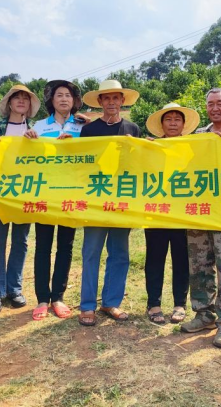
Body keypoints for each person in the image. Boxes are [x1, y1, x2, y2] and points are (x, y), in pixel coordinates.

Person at [180, 88, 221, 348]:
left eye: (220, 103)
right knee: (199, 264)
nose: (215, 108)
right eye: (210, 104)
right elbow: (183, 163)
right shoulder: (198, 136)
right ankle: (203, 314)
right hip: (201, 210)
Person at [78, 80, 142, 326]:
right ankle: (87, 306)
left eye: (116, 98)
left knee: (119, 253)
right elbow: (83, 164)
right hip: (96, 197)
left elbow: (137, 163)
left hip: (122, 199)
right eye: (107, 99)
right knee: (91, 252)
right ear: (101, 102)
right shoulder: (89, 130)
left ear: (122, 101)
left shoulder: (132, 129)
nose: (112, 102)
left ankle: (111, 302)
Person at [24, 80, 88, 321]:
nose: (64, 99)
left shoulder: (83, 126)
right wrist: (29, 139)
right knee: (43, 245)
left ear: (74, 101)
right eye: (59, 95)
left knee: (66, 246)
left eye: (68, 96)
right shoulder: (39, 126)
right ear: (51, 100)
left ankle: (58, 297)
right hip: (46, 194)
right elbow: (27, 156)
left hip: (72, 193)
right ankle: (42, 298)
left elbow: (92, 153)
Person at [0, 84, 41, 314]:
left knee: (21, 242)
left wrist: (36, 143)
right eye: (17, 98)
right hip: (0, 194)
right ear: (9, 103)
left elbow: (43, 159)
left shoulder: (35, 130)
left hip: (26, 193)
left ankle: (14, 289)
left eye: (26, 98)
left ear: (29, 105)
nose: (21, 101)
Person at [143, 102, 200, 324]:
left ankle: (179, 304)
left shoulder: (195, 146)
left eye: (178, 119)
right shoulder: (151, 147)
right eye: (169, 119)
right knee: (155, 258)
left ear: (184, 124)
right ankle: (154, 304)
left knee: (182, 259)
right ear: (162, 124)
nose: (173, 122)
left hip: (183, 212)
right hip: (156, 211)